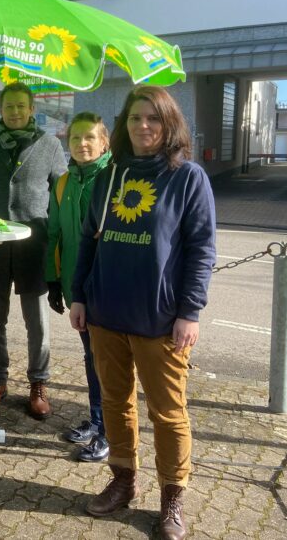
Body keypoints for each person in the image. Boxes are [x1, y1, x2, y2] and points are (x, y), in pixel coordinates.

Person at [69, 86, 216, 539]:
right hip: (106, 313)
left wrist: (189, 311)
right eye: (135, 118)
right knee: (115, 402)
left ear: (169, 123)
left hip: (160, 320)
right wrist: (79, 296)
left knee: (168, 412)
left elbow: (201, 249)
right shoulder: (108, 178)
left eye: (153, 118)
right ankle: (123, 479)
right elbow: (88, 241)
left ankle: (173, 495)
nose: (143, 126)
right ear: (123, 125)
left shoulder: (188, 178)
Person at [0, 82, 67, 420]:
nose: (16, 112)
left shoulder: (49, 145)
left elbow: (61, 190)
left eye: (22, 106)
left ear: (32, 109)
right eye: (10, 107)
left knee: (36, 320)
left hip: (33, 245)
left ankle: (38, 383)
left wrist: (54, 229)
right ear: (1, 109)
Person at [45, 112, 112, 462]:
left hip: (109, 288)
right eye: (75, 138)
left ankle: (110, 431)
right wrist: (53, 280)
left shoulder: (115, 179)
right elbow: (55, 233)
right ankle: (99, 419)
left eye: (89, 137)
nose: (82, 144)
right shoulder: (64, 182)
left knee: (107, 361)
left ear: (104, 142)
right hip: (77, 288)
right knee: (91, 357)